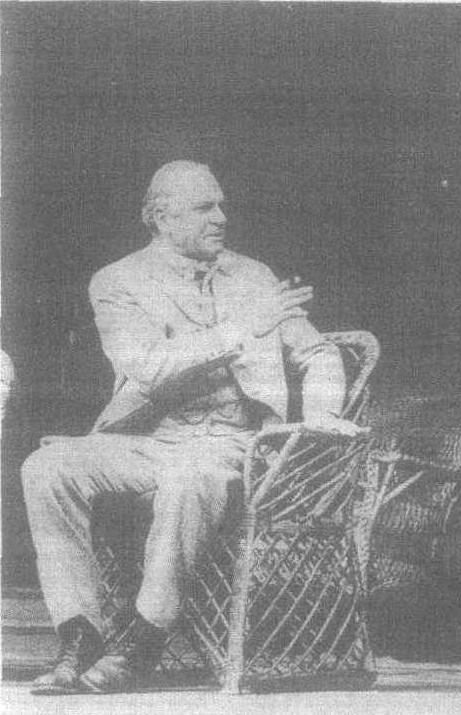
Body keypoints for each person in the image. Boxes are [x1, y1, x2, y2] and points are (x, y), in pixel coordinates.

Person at [22, 160, 364, 695]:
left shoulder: (254, 276)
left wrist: (322, 417)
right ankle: (80, 635)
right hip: (147, 441)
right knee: (46, 467)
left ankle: (146, 637)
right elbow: (148, 365)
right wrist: (241, 328)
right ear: (162, 217)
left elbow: (318, 353)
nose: (221, 218)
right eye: (205, 207)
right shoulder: (117, 281)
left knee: (190, 476)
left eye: (221, 205)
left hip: (233, 444)